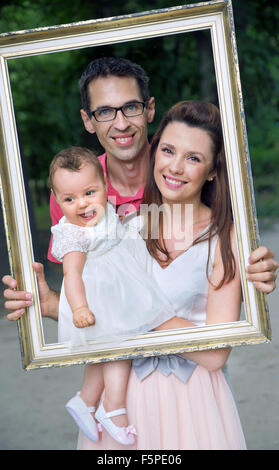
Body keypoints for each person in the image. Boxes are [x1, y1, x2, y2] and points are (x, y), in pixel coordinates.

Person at [2, 57, 278, 322]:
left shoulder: (183, 179)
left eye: (131, 107)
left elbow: (215, 287)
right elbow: (93, 296)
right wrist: (50, 303)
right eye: (105, 112)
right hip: (115, 358)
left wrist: (251, 275)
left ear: (150, 109)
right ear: (88, 120)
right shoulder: (71, 196)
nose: (121, 124)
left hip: (189, 354)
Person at [77, 100, 250, 449]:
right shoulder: (125, 228)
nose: (175, 166)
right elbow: (98, 316)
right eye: (168, 150)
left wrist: (138, 304)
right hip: (122, 402)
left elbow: (215, 353)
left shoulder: (226, 237)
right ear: (155, 153)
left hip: (192, 402)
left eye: (193, 157)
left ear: (213, 170)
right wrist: (44, 302)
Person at [49, 146, 174, 445]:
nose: (82, 204)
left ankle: (86, 400)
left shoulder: (106, 213)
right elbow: (72, 275)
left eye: (89, 192)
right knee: (119, 349)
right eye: (69, 199)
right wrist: (79, 308)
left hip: (117, 288)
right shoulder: (73, 234)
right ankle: (113, 409)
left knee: (102, 354)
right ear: (57, 201)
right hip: (95, 298)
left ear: (105, 187)